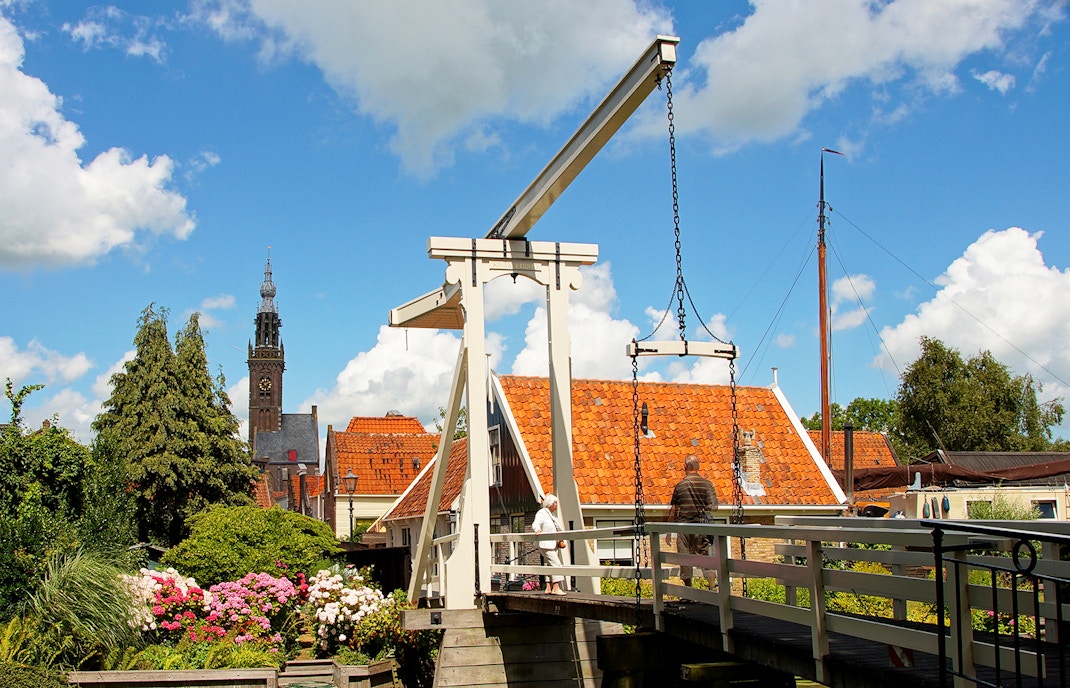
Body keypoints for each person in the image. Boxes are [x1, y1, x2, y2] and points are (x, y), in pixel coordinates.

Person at [665, 455, 719, 587]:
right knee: (706, 558)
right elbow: (714, 507)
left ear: (686, 467)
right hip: (701, 527)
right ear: (698, 467)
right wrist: (702, 507)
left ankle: (689, 594)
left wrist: (668, 531)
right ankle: (712, 588)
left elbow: (674, 510)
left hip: (684, 528)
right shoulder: (707, 484)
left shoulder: (680, 486)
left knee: (685, 559)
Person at [532, 494, 567, 595]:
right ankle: (556, 588)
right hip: (546, 544)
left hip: (553, 544)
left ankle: (548, 587)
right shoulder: (542, 513)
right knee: (556, 563)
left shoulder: (552, 515)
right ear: (550, 504)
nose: (556, 505)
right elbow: (536, 523)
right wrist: (537, 530)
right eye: (555, 503)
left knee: (550, 564)